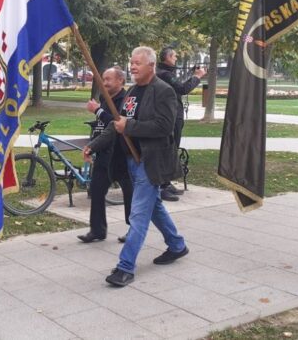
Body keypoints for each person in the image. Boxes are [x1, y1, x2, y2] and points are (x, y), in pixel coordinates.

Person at [84, 46, 188, 287]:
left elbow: (164, 127)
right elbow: (116, 125)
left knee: (138, 214)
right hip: (131, 161)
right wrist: (94, 145)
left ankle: (125, 267)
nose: (132, 66)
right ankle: (177, 245)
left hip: (150, 163)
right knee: (154, 209)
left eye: (137, 63)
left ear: (151, 65)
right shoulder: (132, 92)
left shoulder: (164, 92)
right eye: (131, 62)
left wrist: (129, 127)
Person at [77, 66, 133, 244]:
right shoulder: (104, 97)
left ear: (120, 81)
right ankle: (97, 230)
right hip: (103, 153)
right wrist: (93, 146)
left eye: (108, 79)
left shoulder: (126, 99)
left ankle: (133, 229)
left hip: (120, 154)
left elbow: (117, 124)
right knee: (96, 189)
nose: (104, 82)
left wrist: (97, 111)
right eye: (103, 78)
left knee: (129, 193)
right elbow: (103, 127)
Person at [156, 47, 206, 201]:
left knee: (172, 149)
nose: (176, 59)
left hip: (172, 115)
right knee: (169, 149)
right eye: (174, 56)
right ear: (167, 57)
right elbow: (183, 88)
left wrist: (192, 74)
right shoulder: (164, 74)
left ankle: (166, 182)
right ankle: (162, 186)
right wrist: (197, 77)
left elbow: (178, 84)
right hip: (170, 117)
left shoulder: (163, 72)